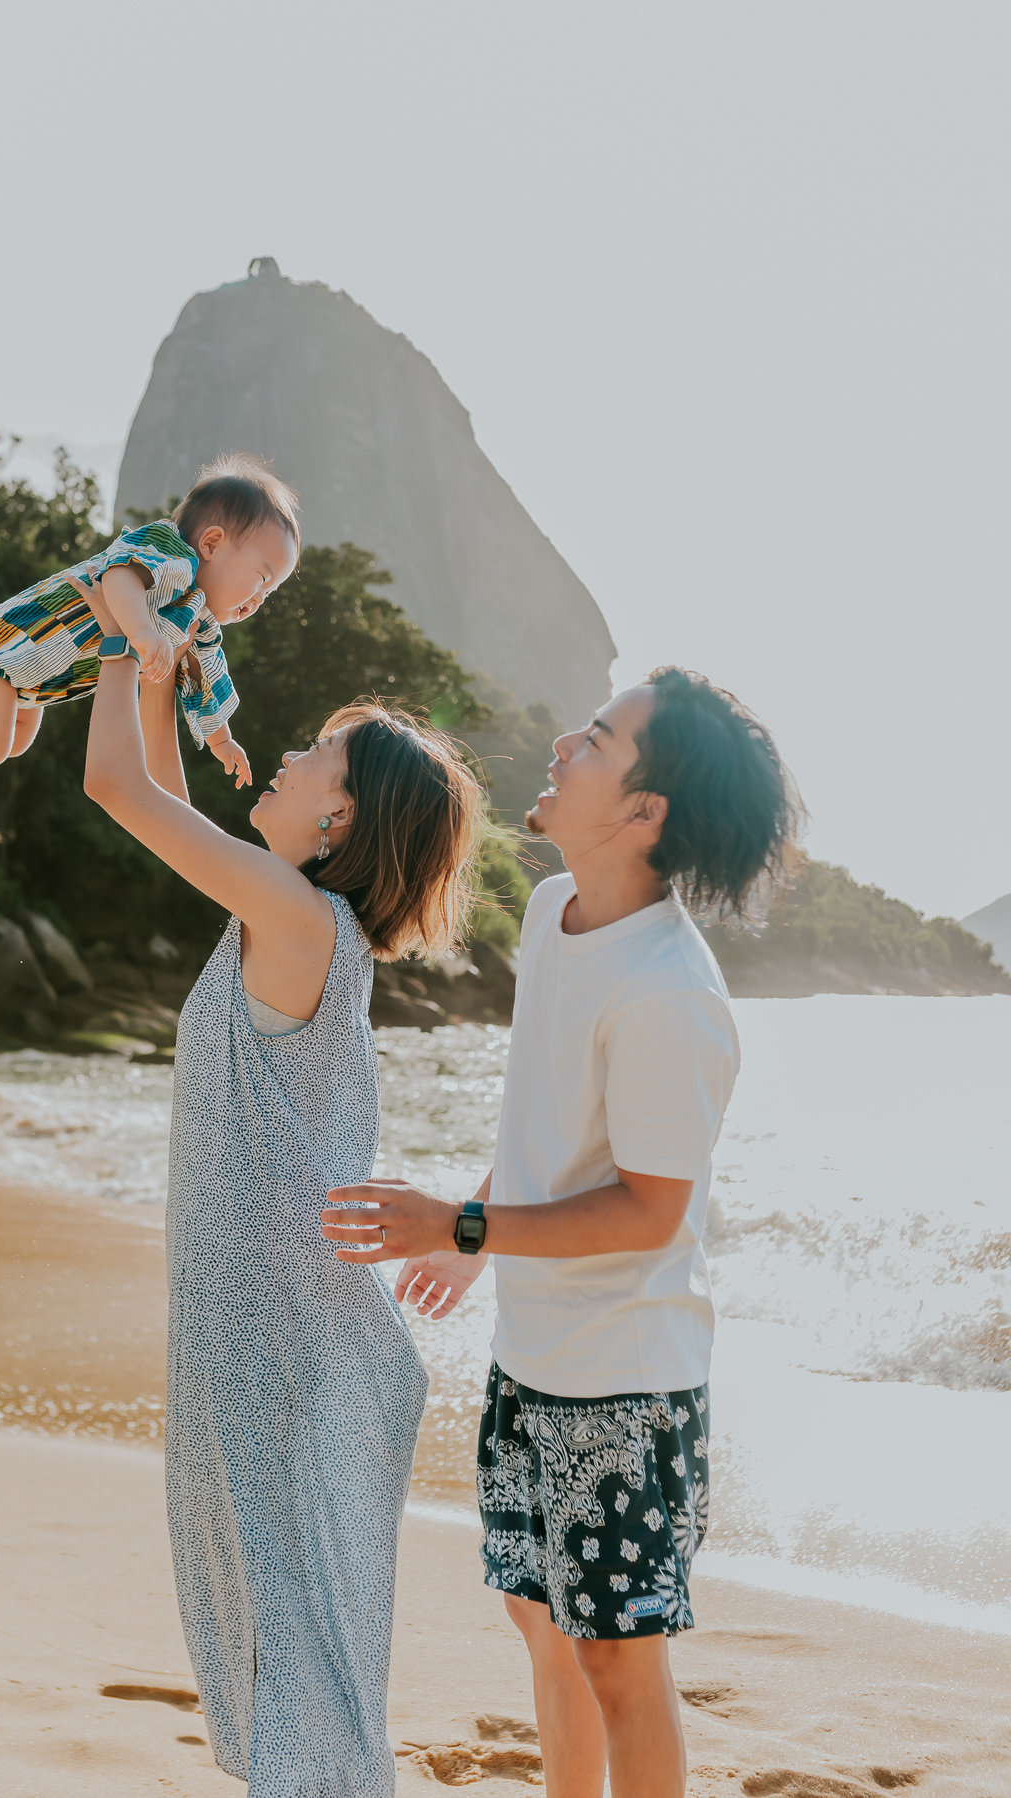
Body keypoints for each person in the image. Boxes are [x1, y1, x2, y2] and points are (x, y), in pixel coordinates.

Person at [321, 667, 800, 1798]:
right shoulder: (553, 912)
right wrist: (465, 1228)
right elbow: (544, 1119)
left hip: (626, 1384)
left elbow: (649, 1208)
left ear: (645, 813)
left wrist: (464, 1224)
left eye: (598, 739)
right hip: (534, 1360)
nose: (562, 746)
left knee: (620, 1664)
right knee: (540, 1626)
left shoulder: (670, 993)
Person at [81, 598, 483, 1798]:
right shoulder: (288, 916)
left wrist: (115, 625)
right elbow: (152, 776)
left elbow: (115, 788)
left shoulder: (301, 921)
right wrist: (159, 664)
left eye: (314, 751)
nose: (290, 754)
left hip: (274, 1344)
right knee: (270, 1643)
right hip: (246, 1331)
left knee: (287, 1650)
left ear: (338, 813)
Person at [0, 451, 298, 780]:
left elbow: (207, 679)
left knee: (17, 741)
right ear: (211, 543)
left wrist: (222, 740)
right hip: (11, 647)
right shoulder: (169, 553)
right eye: (260, 578)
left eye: (271, 592)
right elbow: (117, 579)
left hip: (35, 681)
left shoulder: (196, 618)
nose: (260, 598)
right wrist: (144, 632)